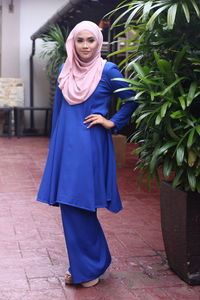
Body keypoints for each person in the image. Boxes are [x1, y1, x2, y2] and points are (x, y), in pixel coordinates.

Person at [37, 20, 138, 288]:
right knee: (70, 206)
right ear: (73, 42)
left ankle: (89, 267)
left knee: (78, 204)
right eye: (80, 40)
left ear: (99, 42)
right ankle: (91, 263)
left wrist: (112, 121)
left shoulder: (108, 70)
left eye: (90, 40)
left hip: (89, 147)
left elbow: (132, 98)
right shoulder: (65, 69)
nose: (85, 46)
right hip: (65, 145)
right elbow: (59, 113)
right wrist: (54, 148)